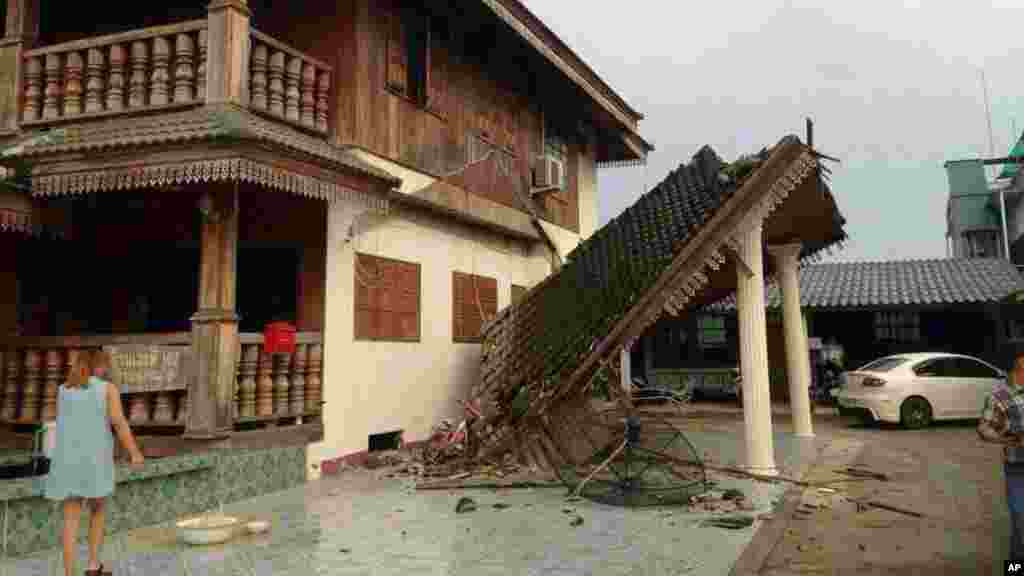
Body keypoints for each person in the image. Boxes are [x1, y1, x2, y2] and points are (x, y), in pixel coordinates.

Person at [43, 349, 145, 576]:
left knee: (70, 519)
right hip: (95, 459)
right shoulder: (107, 389)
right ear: (99, 367)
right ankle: (92, 566)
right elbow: (119, 423)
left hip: (67, 460)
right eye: (105, 366)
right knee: (97, 510)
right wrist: (134, 452)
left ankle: (70, 573)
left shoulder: (63, 390)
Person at [978, 352, 1024, 561]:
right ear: (1016, 370)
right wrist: (1006, 439)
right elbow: (984, 429)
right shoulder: (998, 396)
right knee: (1020, 521)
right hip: (1017, 466)